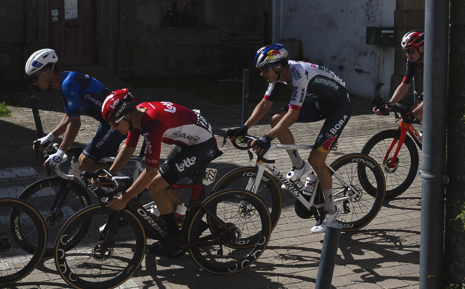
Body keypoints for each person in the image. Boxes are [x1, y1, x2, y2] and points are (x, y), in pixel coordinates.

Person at [227, 44, 351, 233]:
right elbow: (264, 104)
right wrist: (244, 127)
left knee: (317, 160)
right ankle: (299, 166)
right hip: (319, 102)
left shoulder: (298, 73)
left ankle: (331, 210)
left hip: (339, 106)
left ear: (278, 66)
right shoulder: (278, 75)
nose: (261, 74)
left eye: (263, 69)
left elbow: (293, 115)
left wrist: (267, 138)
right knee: (276, 119)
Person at [101, 89, 221, 257]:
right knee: (161, 184)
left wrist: (125, 198)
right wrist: (109, 173)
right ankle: (192, 223)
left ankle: (175, 239)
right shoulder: (137, 115)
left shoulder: (152, 124)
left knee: (155, 185)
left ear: (126, 116)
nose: (113, 127)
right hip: (189, 142)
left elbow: (150, 172)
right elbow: (129, 148)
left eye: (114, 122)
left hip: (203, 146)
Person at [25, 49, 125, 172]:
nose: (34, 83)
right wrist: (48, 138)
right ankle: (117, 184)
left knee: (86, 162)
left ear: (47, 72)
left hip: (117, 123)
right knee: (97, 165)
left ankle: (126, 186)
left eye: (35, 78)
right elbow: (69, 116)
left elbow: (75, 123)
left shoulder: (68, 84)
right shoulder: (66, 81)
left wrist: (60, 154)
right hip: (108, 122)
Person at [373, 31, 424, 120]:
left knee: (420, 112)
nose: (407, 55)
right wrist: (388, 106)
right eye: (406, 51)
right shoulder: (412, 60)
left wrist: (412, 115)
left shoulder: (435, 60)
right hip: (433, 89)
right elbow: (404, 85)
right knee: (416, 110)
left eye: (410, 51)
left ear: (422, 48)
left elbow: (434, 94)